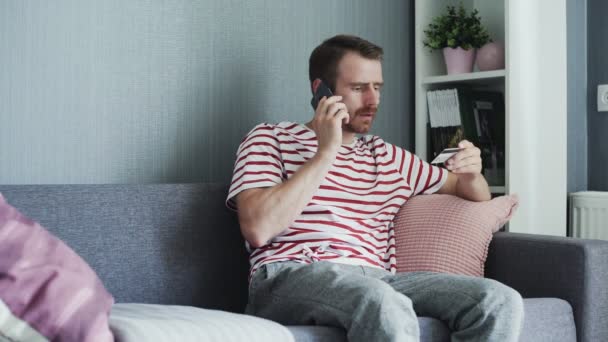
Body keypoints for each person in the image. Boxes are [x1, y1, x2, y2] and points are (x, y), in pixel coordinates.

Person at [226, 34, 523, 342]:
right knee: (381, 301)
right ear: (321, 91)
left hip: (378, 278)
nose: (373, 101)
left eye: (377, 87)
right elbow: (258, 228)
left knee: (497, 300)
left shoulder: (387, 157)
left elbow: (473, 193)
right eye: (358, 88)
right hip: (289, 275)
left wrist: (472, 173)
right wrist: (326, 152)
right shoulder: (270, 138)